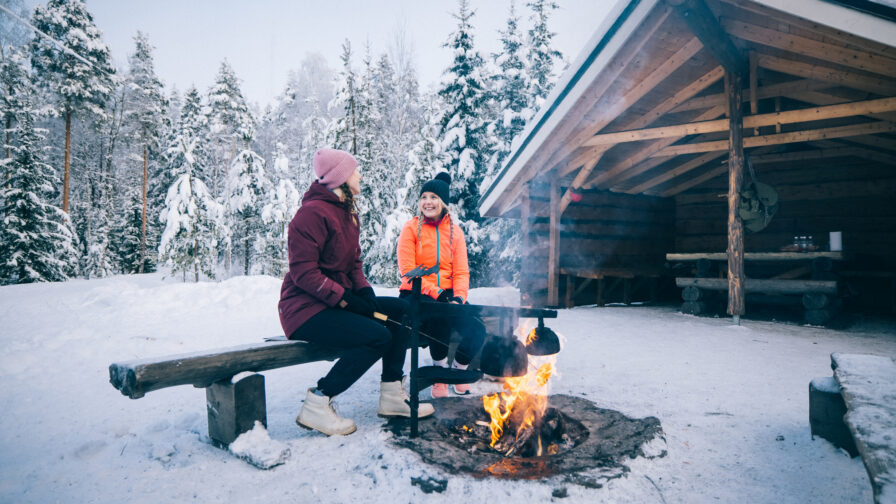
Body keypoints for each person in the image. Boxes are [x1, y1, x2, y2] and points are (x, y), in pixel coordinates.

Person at [278, 148, 434, 436]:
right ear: (340, 178)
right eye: (354, 171)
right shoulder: (310, 215)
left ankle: (391, 394)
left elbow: (354, 263)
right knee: (377, 336)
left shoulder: (346, 214)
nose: (359, 176)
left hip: (335, 303)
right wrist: (346, 299)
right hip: (304, 310)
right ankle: (319, 400)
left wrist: (364, 293)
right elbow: (303, 273)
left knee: (403, 312)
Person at [397, 172, 487, 398]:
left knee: (477, 328)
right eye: (424, 197)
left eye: (434, 197)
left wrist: (459, 297)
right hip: (416, 292)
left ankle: (458, 371)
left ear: (443, 202)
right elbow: (408, 272)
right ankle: (439, 375)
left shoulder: (455, 233)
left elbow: (461, 271)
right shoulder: (410, 228)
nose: (428, 202)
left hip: (447, 294)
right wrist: (436, 293)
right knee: (439, 320)